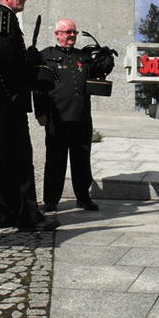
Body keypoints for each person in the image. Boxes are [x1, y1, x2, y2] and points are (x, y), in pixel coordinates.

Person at [0, 0, 59, 231]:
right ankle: (28, 216)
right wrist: (14, 91)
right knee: (21, 159)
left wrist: (26, 60)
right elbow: (1, 59)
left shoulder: (2, 19)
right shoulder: (4, 19)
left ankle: (3, 215)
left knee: (2, 160)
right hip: (6, 101)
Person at [34, 18, 115, 212]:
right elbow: (38, 88)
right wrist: (41, 113)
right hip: (57, 118)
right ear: (57, 34)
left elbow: (98, 73)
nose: (72, 35)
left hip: (81, 117)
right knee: (55, 161)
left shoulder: (83, 56)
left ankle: (83, 197)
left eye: (74, 32)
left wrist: (105, 59)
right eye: (68, 32)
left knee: (82, 160)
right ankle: (51, 200)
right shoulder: (46, 55)